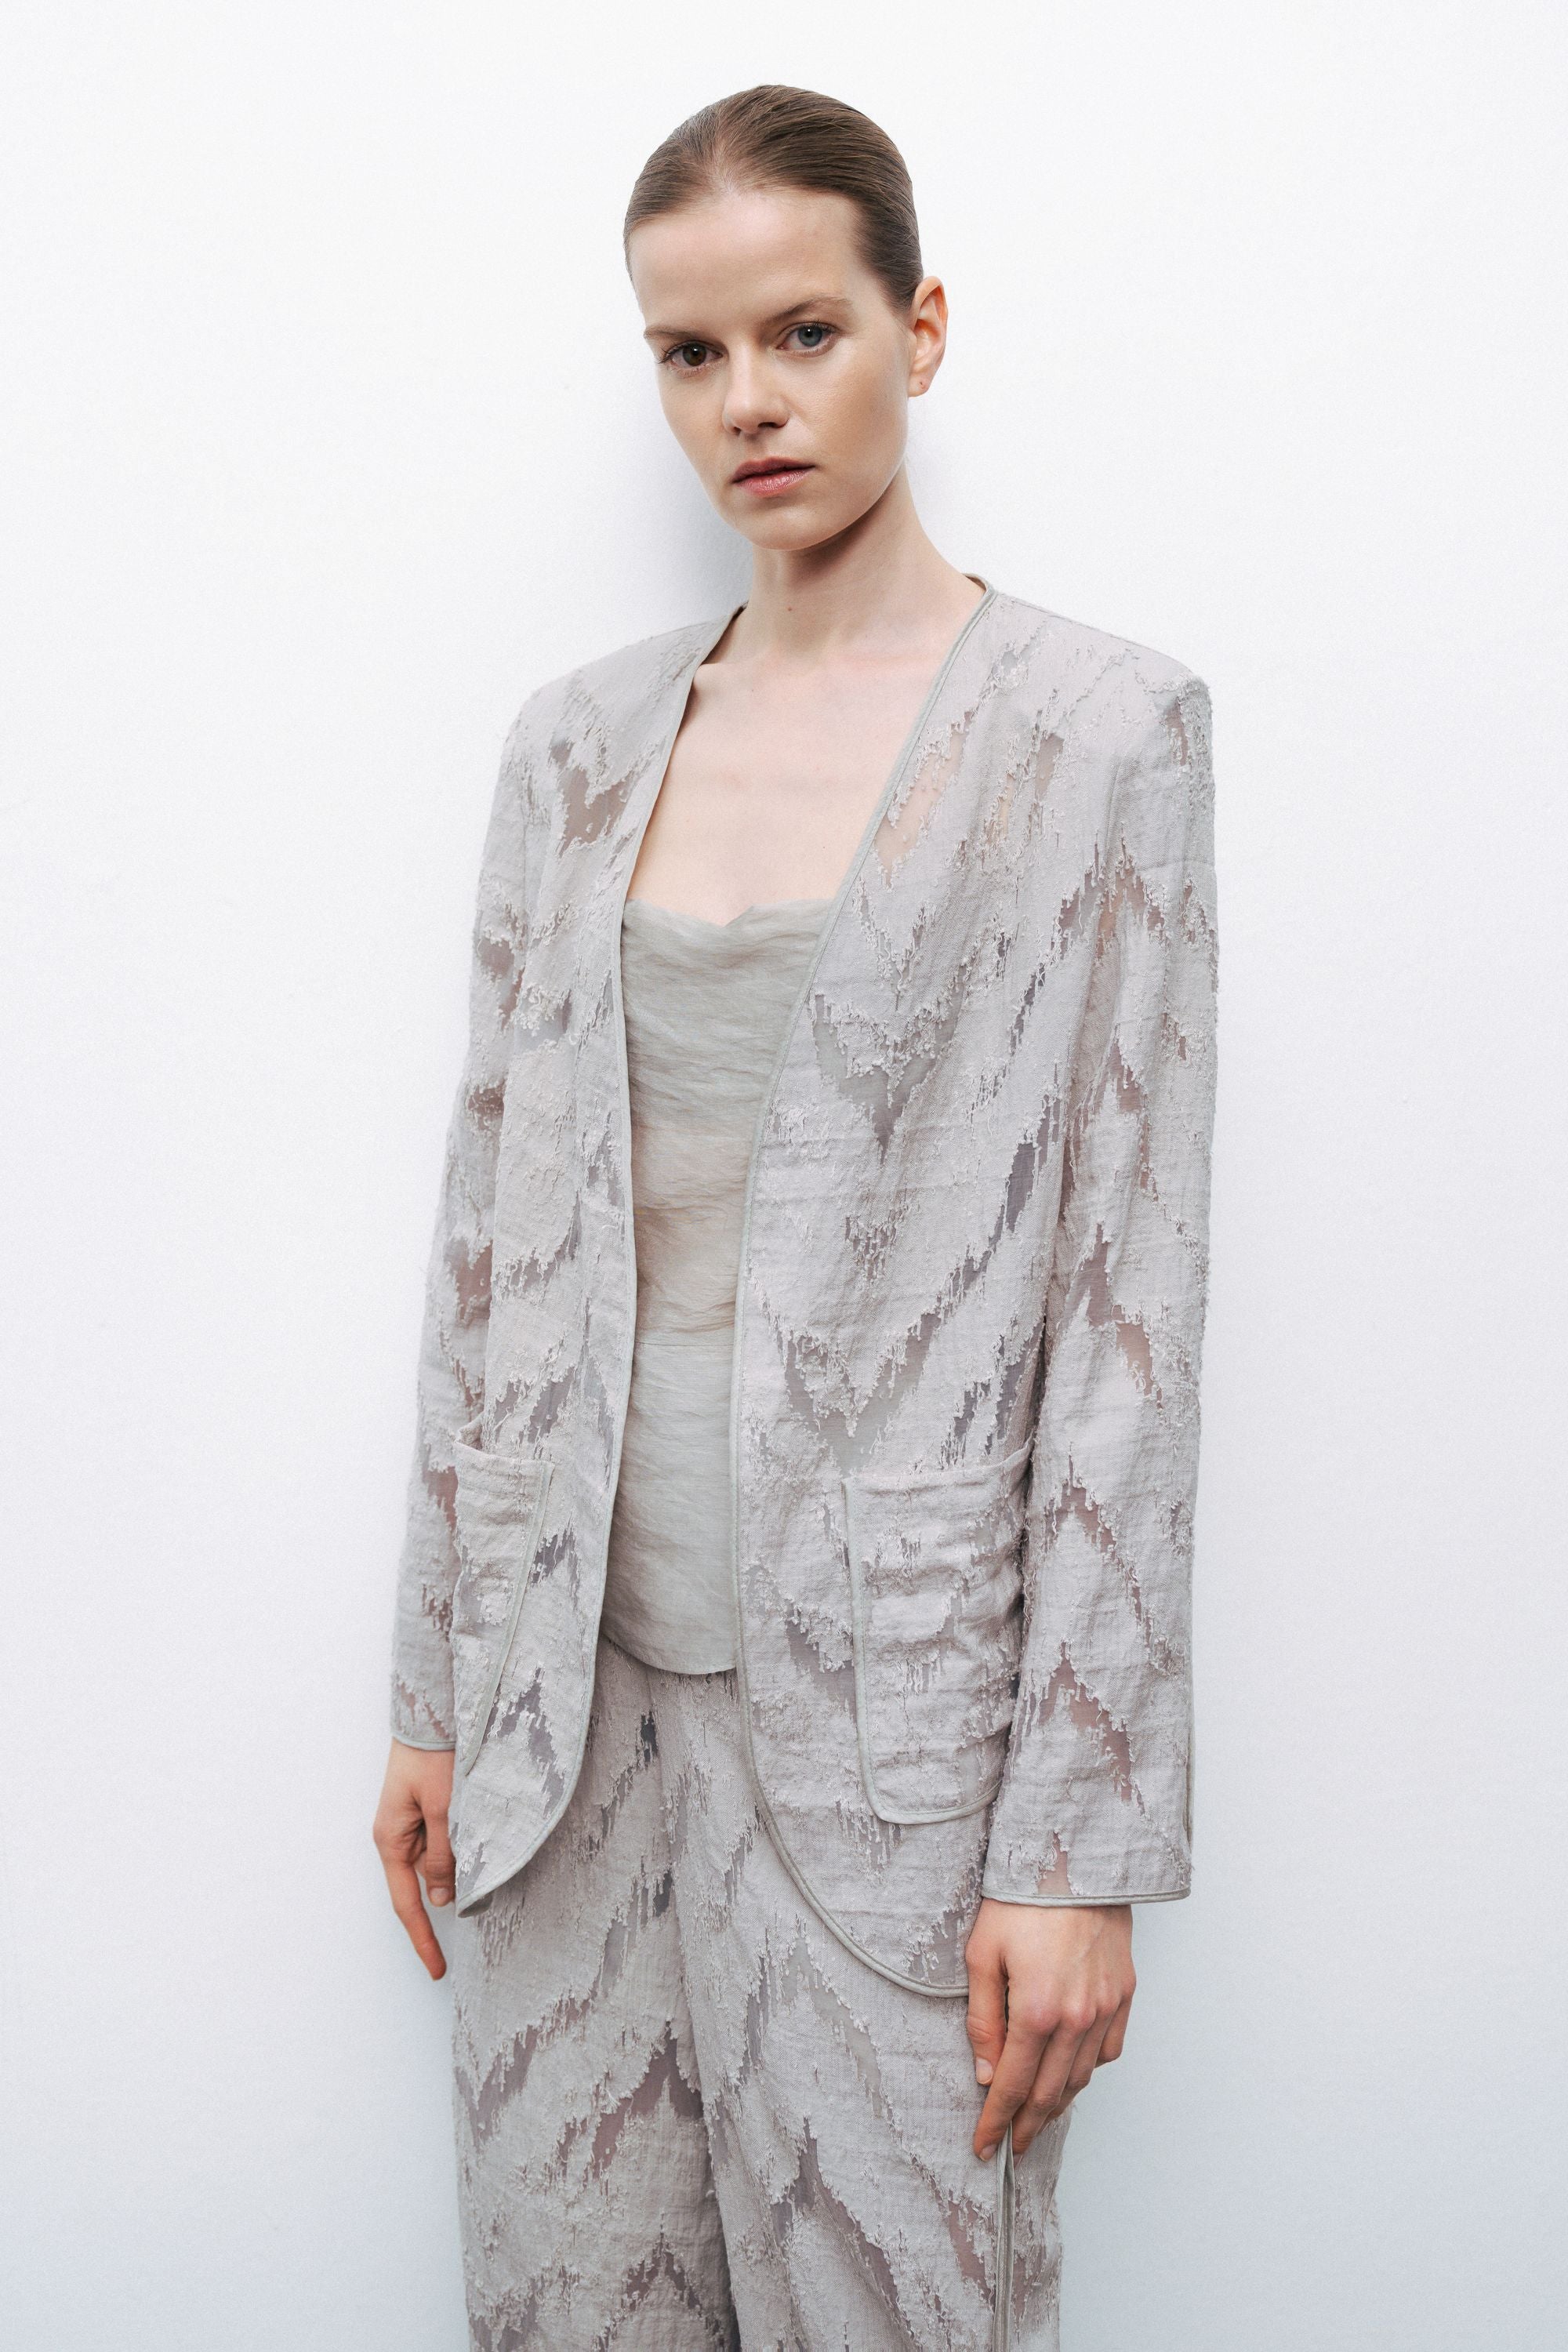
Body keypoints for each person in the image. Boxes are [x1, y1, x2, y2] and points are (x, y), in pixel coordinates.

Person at [372, 82, 1218, 2352]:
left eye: (804, 333)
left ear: (919, 330)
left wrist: (1079, 1847)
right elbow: (490, 1252)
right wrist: (438, 1689)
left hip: (904, 1749)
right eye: (691, 352)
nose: (749, 401)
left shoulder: (1097, 734)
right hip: (562, 1725)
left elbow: (1127, 1317)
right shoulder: (573, 748)